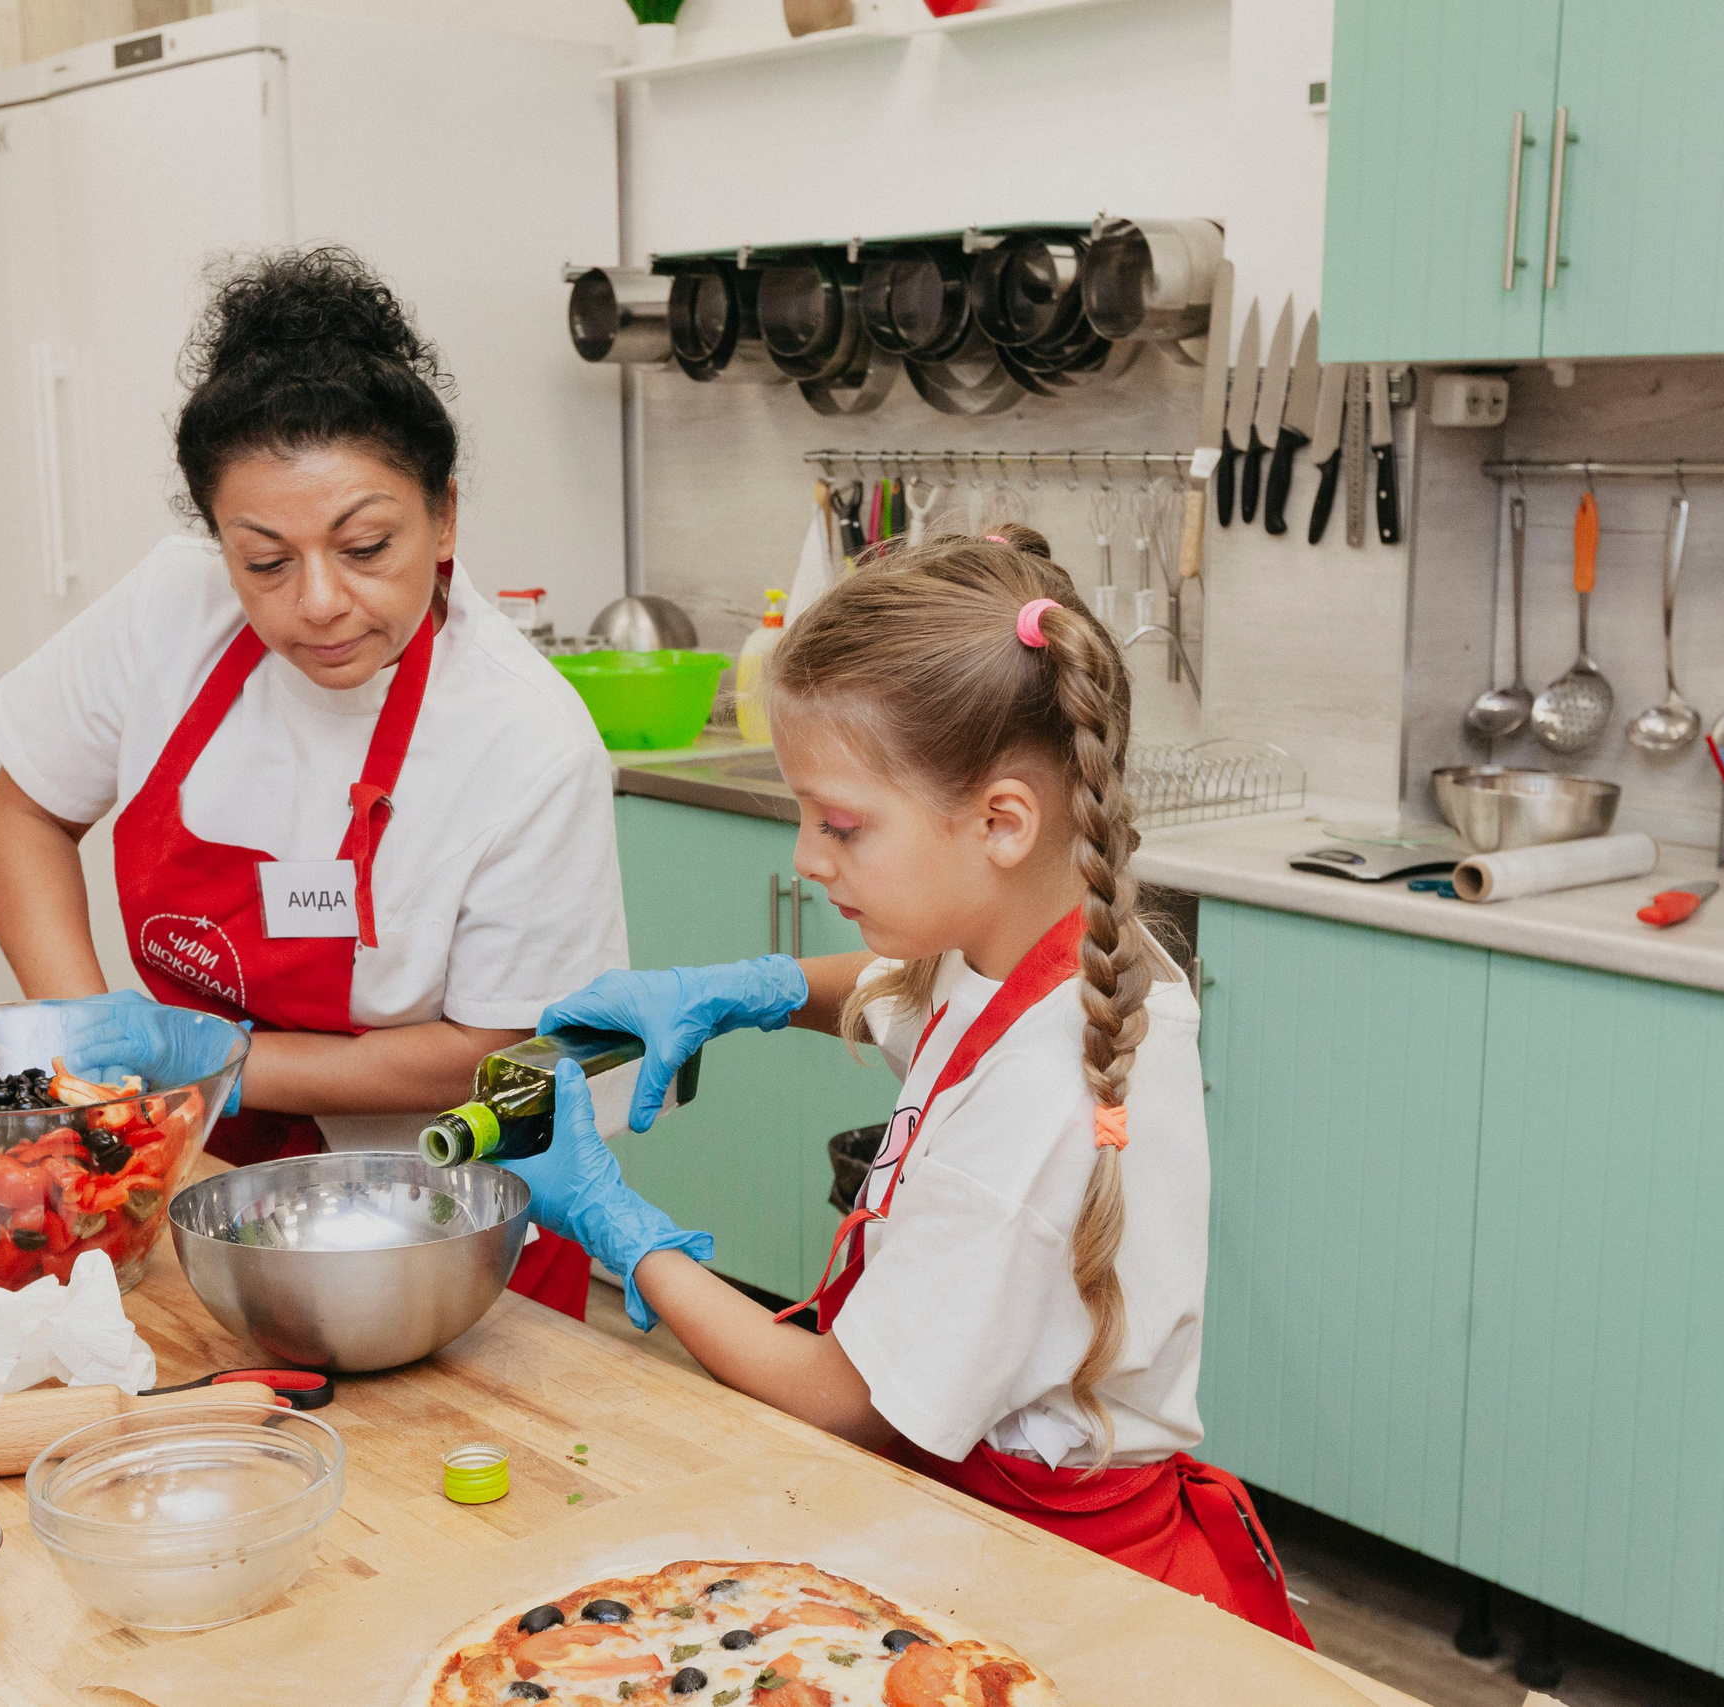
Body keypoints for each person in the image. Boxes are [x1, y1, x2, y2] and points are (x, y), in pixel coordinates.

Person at [499, 528, 1310, 1640]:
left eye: (839, 824)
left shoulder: (1037, 1109)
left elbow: (844, 1403)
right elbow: (911, 999)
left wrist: (620, 1232)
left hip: (1049, 1586)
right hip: (990, 1525)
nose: (806, 859)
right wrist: (749, 988)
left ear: (1000, 823)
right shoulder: (1048, 955)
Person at [0, 247, 625, 1316]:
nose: (318, 600)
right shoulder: (168, 612)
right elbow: (25, 813)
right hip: (182, 1168)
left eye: (366, 545)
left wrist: (202, 1059)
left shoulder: (524, 737)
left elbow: (497, 1049)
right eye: (264, 560)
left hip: (440, 1211)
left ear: (445, 515)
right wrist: (93, 1035)